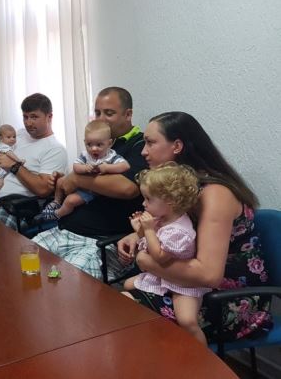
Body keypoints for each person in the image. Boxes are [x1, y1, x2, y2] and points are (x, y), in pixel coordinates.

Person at [117, 112, 273, 342]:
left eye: (150, 143)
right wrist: (137, 234)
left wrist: (145, 261)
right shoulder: (180, 187)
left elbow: (209, 275)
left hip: (229, 297)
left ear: (177, 146)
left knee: (127, 314)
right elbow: (175, 224)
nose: (143, 151)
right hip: (187, 285)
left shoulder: (215, 195)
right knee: (122, 305)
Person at [32, 87, 147, 279]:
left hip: (101, 241)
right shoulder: (97, 142)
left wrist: (77, 178)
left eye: (109, 113)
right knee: (24, 262)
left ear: (128, 114)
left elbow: (128, 188)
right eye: (97, 112)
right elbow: (80, 175)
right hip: (65, 230)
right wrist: (65, 179)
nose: (101, 119)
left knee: (64, 282)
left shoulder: (140, 145)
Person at [122, 163, 209, 345]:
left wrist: (148, 230)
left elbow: (159, 256)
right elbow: (147, 244)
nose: (144, 204)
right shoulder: (162, 218)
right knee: (127, 284)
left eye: (148, 199)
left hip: (181, 282)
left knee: (187, 320)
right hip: (161, 275)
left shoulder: (179, 230)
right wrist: (140, 230)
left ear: (170, 202)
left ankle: (204, 355)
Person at [0, 93, 67, 229]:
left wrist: (14, 166)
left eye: (34, 117)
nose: (28, 123)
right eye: (25, 117)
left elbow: (43, 189)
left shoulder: (55, 149)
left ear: (49, 117)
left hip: (15, 208)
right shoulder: (19, 135)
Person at [39, 120, 130, 220]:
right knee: (60, 181)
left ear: (109, 143)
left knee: (70, 201)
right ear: (84, 142)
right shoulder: (86, 155)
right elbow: (76, 166)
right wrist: (84, 168)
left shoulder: (111, 156)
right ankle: (56, 201)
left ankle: (57, 214)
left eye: (99, 145)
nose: (93, 149)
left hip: (93, 190)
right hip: (80, 184)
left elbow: (125, 166)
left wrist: (107, 167)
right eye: (89, 144)